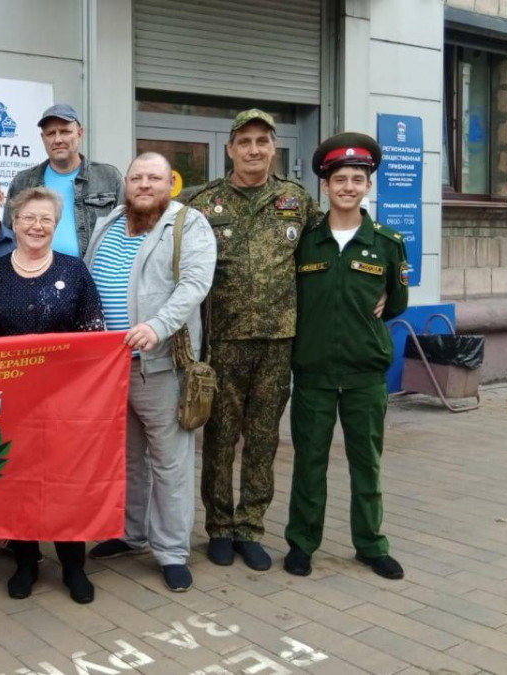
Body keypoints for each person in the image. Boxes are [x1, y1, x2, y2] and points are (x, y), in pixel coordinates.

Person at [187, 109, 320, 572]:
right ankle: (219, 528)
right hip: (223, 341)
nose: (254, 150)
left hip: (277, 340)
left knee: (263, 440)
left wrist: (378, 286)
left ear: (273, 147)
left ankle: (250, 528)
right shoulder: (203, 203)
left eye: (262, 141)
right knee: (220, 439)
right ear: (230, 149)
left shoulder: (296, 201)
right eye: (244, 141)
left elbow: (324, 256)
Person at [86, 153, 216, 592]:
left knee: (169, 461)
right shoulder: (108, 222)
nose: (144, 185)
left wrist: (157, 326)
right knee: (128, 458)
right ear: (126, 183)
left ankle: (172, 550)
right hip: (110, 369)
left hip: (159, 366)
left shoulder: (188, 224)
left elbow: (194, 285)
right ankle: (131, 533)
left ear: (170, 183)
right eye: (137, 177)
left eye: (154, 178)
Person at [284, 133, 408, 580]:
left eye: (357, 179)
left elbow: (395, 303)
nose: (348, 187)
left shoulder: (388, 243)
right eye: (340, 179)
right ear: (326, 185)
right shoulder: (305, 241)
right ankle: (302, 543)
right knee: (309, 462)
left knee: (366, 464)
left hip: (364, 372)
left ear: (368, 186)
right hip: (313, 370)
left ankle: (371, 544)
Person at [0, 186, 104, 604]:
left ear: (56, 226)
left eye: (46, 219)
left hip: (65, 400)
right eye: (29, 217)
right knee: (18, 481)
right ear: (14, 222)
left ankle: (73, 565)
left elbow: (93, 333)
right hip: (11, 400)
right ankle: (26, 562)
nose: (37, 226)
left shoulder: (74, 271)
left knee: (65, 483)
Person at [3, 103, 123, 257]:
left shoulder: (108, 177)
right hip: (35, 270)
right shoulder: (23, 182)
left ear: (79, 133)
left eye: (65, 132)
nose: (58, 139)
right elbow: (8, 237)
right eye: (51, 133)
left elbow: (126, 232)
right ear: (43, 138)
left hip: (93, 270)